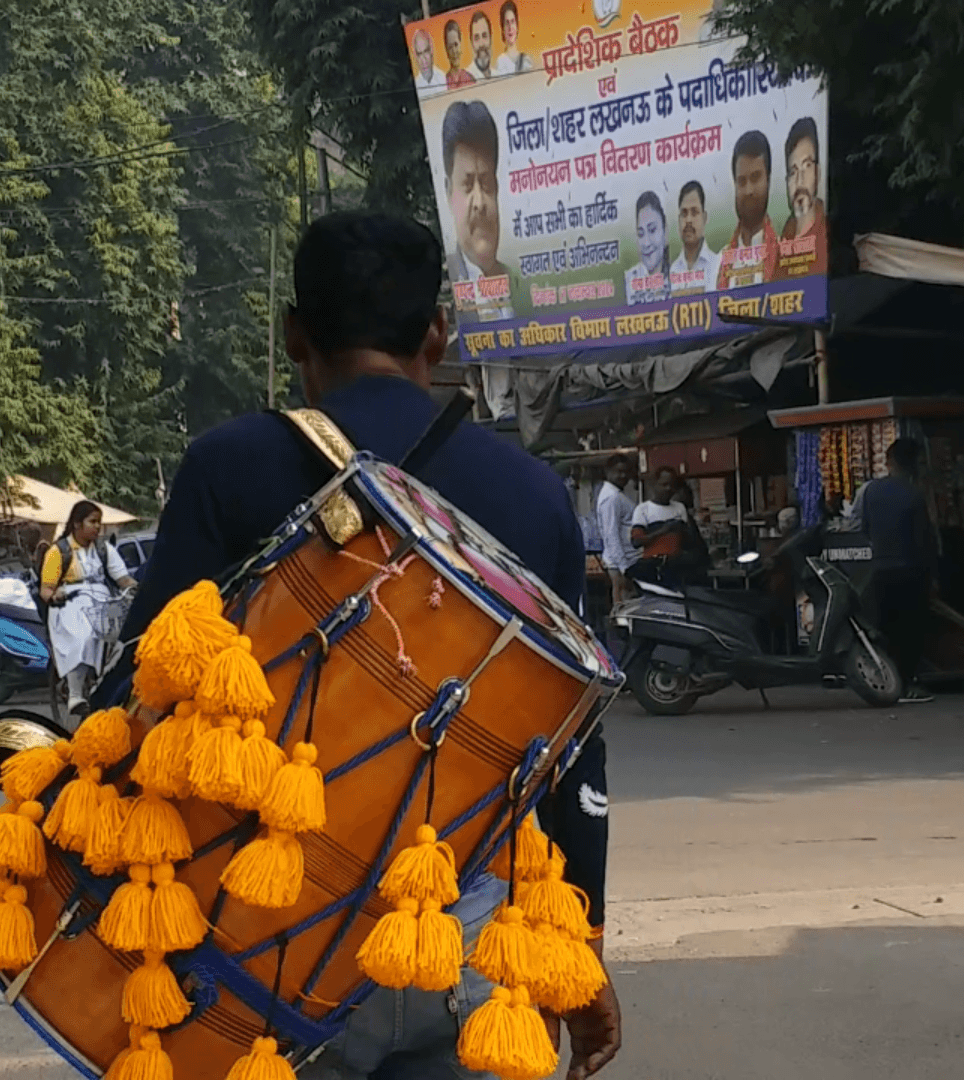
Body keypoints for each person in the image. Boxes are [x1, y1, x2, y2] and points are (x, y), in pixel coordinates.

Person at [116, 210, 621, 1080]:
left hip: (267, 946)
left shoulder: (225, 469)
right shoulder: (535, 497)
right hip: (465, 938)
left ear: (294, 334)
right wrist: (584, 950)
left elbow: (140, 699)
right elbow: (568, 753)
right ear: (437, 331)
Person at [848, 439, 938, 703]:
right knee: (910, 631)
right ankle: (907, 684)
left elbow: (860, 528)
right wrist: (933, 575)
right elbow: (924, 539)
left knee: (885, 628)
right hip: (911, 570)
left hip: (880, 570)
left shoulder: (870, 491)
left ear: (889, 462)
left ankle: (890, 682)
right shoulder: (914, 494)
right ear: (912, 464)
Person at [40, 500, 136, 716]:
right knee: (83, 638)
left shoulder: (103, 549)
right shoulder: (59, 551)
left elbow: (123, 578)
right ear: (76, 524)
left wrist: (135, 588)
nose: (97, 527)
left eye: (99, 523)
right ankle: (75, 694)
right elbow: (45, 589)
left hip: (102, 604)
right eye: (92, 522)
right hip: (70, 606)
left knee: (125, 637)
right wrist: (54, 596)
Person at [442, 100, 514, 322]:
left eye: (485, 184)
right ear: (449, 192)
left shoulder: (524, 285)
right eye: (467, 184)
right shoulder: (452, 283)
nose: (479, 203)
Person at [719, 130, 776, 289]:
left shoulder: (784, 254)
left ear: (768, 180)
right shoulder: (718, 264)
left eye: (756, 177)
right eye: (742, 181)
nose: (749, 190)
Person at [775, 118, 826, 279]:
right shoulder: (780, 242)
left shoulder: (827, 233)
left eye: (807, 166)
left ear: (817, 173)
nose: (799, 180)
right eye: (793, 171)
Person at [628, 467, 691, 587]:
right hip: (653, 567)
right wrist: (663, 530)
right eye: (664, 484)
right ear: (654, 485)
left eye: (672, 485)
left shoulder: (680, 508)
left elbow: (687, 541)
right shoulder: (643, 510)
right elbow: (636, 541)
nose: (668, 489)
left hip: (676, 568)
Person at [596, 453, 639, 606]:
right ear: (608, 472)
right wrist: (624, 568)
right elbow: (611, 534)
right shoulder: (611, 498)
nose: (623, 475)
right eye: (618, 471)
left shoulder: (617, 495)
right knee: (625, 609)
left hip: (625, 562)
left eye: (626, 471)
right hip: (620, 564)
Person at [669, 181, 721, 295]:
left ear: (704, 217)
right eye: (684, 213)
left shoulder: (717, 266)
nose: (688, 220)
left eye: (694, 212)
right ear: (679, 220)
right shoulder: (672, 271)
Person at [623, 191, 671, 305]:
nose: (646, 243)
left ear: (665, 231)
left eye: (652, 230)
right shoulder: (629, 281)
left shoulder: (680, 276)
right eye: (640, 234)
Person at [497, 0, 532, 74]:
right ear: (502, 28)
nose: (510, 28)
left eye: (512, 22)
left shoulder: (526, 59)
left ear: (517, 25)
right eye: (507, 23)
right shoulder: (501, 61)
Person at [442, 19, 475, 89]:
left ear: (460, 44)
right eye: (450, 47)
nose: (454, 51)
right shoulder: (443, 82)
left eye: (456, 45)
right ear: (446, 50)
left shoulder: (470, 78)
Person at [411, 27, 443, 95]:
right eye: (419, 54)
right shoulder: (416, 86)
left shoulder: (442, 78)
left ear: (431, 51)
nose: (423, 59)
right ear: (415, 57)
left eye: (426, 51)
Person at [467, 9, 494, 80]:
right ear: (471, 42)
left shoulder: (498, 73)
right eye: (476, 38)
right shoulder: (467, 79)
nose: (481, 44)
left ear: (490, 38)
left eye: (484, 36)